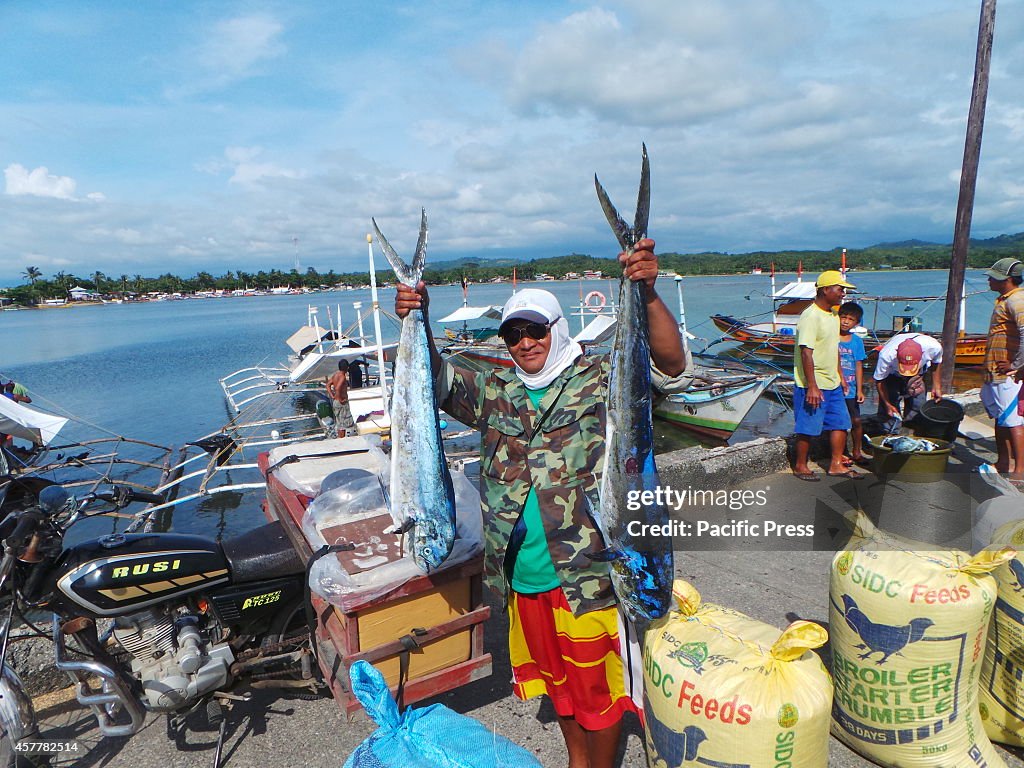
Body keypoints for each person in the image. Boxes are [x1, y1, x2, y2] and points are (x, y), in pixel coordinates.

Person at [395, 238, 690, 768]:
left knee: (600, 695)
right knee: (560, 691)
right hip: (523, 577)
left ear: (557, 329)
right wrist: (416, 313)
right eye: (513, 333)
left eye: (535, 330)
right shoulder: (495, 386)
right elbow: (428, 381)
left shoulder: (599, 378)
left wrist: (645, 292)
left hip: (586, 577)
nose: (525, 342)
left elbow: (670, 362)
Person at [791, 270, 861, 481]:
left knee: (841, 422)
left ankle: (836, 463)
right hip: (814, 383)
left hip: (833, 383)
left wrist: (840, 376)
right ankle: (800, 465)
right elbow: (806, 352)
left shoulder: (833, 315)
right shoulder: (811, 316)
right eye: (840, 289)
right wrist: (811, 385)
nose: (843, 294)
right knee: (808, 425)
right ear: (825, 290)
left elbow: (834, 348)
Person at [981, 257, 1024, 477]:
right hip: (994, 371)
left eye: (993, 278)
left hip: (1008, 375)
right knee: (1000, 417)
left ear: (1007, 279)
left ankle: (1020, 470)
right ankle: (1003, 462)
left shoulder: (1017, 300)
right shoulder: (1004, 299)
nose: (989, 280)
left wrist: (1017, 365)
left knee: (1013, 420)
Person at [873, 332, 943, 433]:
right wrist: (887, 404)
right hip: (892, 374)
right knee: (890, 403)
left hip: (918, 373)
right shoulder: (886, 355)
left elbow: (936, 362)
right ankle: (890, 432)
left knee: (918, 402)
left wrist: (937, 386)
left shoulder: (934, 347)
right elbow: (879, 380)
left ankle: (913, 429)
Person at [838, 302, 868, 467]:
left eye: (850, 319)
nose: (845, 322)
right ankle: (840, 453)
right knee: (838, 423)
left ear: (856, 323)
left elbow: (858, 366)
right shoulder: (831, 338)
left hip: (851, 390)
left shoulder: (856, 342)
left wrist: (860, 390)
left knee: (856, 420)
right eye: (843, 317)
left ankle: (857, 451)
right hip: (834, 388)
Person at [326, 361, 357, 437]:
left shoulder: (335, 375)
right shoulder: (342, 377)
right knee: (345, 423)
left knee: (340, 423)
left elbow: (328, 385)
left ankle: (341, 438)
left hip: (336, 402)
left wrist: (332, 395)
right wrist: (340, 399)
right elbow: (337, 388)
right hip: (341, 403)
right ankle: (343, 438)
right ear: (346, 368)